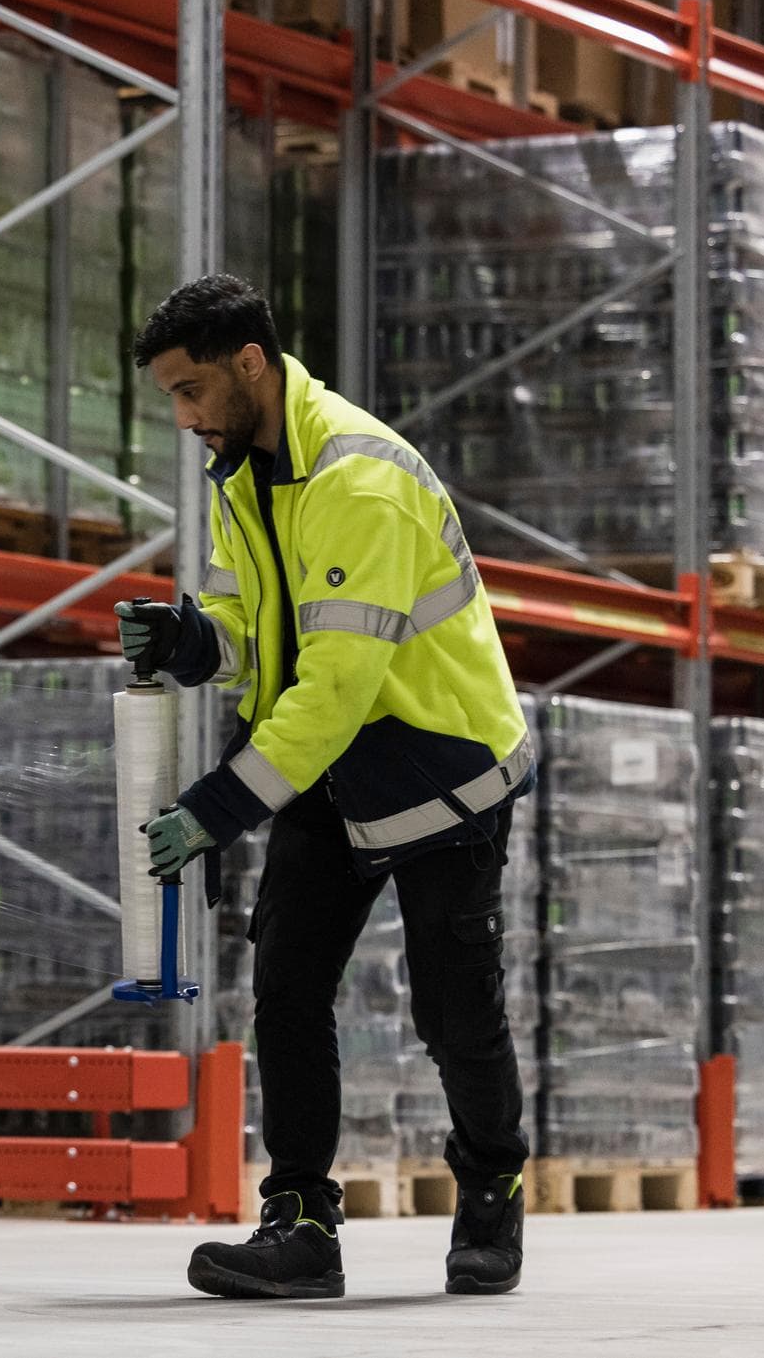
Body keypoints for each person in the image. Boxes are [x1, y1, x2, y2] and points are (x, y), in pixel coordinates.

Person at [114, 275, 533, 1300]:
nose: (183, 416)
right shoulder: (241, 467)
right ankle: (301, 1218)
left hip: (443, 771)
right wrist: (195, 637)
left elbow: (338, 683)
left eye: (192, 389)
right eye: (170, 395)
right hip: (328, 765)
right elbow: (255, 625)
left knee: (452, 1013)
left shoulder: (357, 478)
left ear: (249, 363)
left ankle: (492, 1185)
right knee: (288, 988)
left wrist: (215, 806)